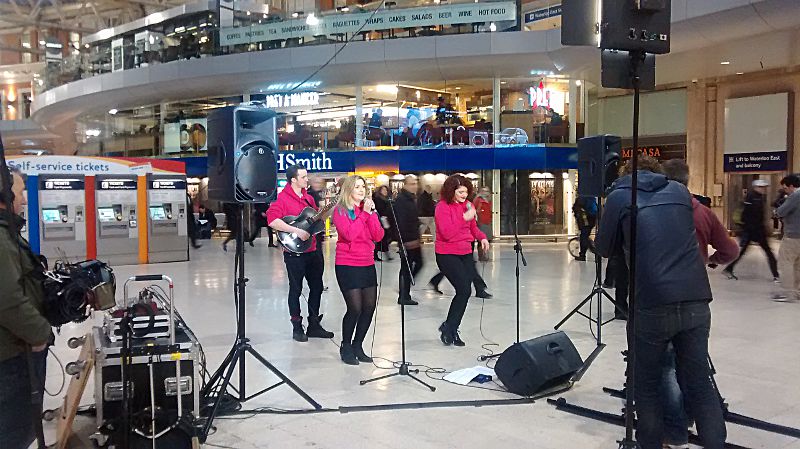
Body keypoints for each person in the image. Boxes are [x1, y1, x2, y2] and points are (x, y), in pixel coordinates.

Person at [595, 155, 727, 449]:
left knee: (648, 384)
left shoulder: (620, 196)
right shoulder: (680, 192)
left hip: (653, 301)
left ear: (626, 174)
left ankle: (651, 444)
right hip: (695, 297)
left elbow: (603, 248)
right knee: (699, 382)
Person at [662, 158, 739, 448]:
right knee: (696, 369)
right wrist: (712, 261)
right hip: (697, 296)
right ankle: (713, 437)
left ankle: (675, 434)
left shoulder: (656, 211)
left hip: (663, 297)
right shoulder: (702, 211)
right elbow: (730, 249)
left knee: (666, 368)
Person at [0, 166, 53, 449]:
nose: (22, 200)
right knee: (14, 431)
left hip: (12, 351)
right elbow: (7, 299)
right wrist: (40, 333)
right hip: (11, 354)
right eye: (20, 193)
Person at [267, 164, 335, 342]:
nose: (307, 180)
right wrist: (295, 231)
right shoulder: (281, 199)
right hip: (294, 253)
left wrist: (326, 212)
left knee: (317, 287)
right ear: (293, 180)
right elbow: (272, 220)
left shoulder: (309, 199)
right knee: (295, 289)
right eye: (304, 177)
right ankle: (297, 326)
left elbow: (316, 223)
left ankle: (314, 324)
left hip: (313, 250)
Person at [331, 176, 384, 365]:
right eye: (357, 187)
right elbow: (350, 234)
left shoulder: (368, 211)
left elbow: (378, 235)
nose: (362, 190)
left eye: (363, 187)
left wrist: (371, 215)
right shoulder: (340, 211)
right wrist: (365, 215)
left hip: (366, 262)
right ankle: (345, 345)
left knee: (369, 307)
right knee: (355, 308)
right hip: (347, 263)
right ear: (348, 190)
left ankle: (358, 344)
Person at [435, 174, 490, 347]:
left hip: (465, 251)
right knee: (463, 289)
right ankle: (450, 328)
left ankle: (451, 327)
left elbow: (473, 227)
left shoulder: (467, 205)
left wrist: (482, 238)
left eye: (466, 192)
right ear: (451, 191)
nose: (464, 195)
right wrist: (463, 218)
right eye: (460, 192)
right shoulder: (442, 207)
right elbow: (447, 233)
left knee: (464, 292)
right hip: (447, 254)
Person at [723, 179, 779, 281]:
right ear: (756, 187)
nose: (764, 189)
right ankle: (776, 275)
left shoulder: (757, 197)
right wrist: (753, 228)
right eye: (762, 187)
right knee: (767, 252)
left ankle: (729, 268)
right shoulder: (752, 198)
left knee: (748, 252)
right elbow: (747, 215)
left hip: (754, 230)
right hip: (753, 230)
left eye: (764, 187)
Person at [394, 175, 423, 306]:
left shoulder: (411, 199)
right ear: (405, 185)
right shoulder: (401, 200)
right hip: (407, 240)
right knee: (406, 268)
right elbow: (400, 222)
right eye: (411, 184)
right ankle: (404, 295)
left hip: (414, 238)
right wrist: (403, 241)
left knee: (417, 264)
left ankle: (405, 289)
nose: (415, 186)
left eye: (415, 183)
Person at [773, 174, 800, 302]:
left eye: (785, 188)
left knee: (786, 263)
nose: (785, 191)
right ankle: (797, 291)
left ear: (791, 186)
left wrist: (776, 211)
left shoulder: (794, 196)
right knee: (798, 265)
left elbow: (780, 212)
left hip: (793, 236)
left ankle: (788, 293)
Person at [372, 185, 393, 261]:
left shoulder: (387, 199)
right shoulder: (378, 199)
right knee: (382, 238)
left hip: (386, 220)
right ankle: (376, 254)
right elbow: (380, 210)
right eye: (383, 190)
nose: (385, 192)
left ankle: (384, 253)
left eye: (386, 190)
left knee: (386, 237)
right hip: (380, 220)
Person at [572, 196, 597, 261]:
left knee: (584, 238)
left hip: (585, 222)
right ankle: (594, 250)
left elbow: (577, 210)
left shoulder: (581, 199)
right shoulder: (591, 197)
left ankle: (583, 255)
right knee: (585, 236)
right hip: (591, 221)